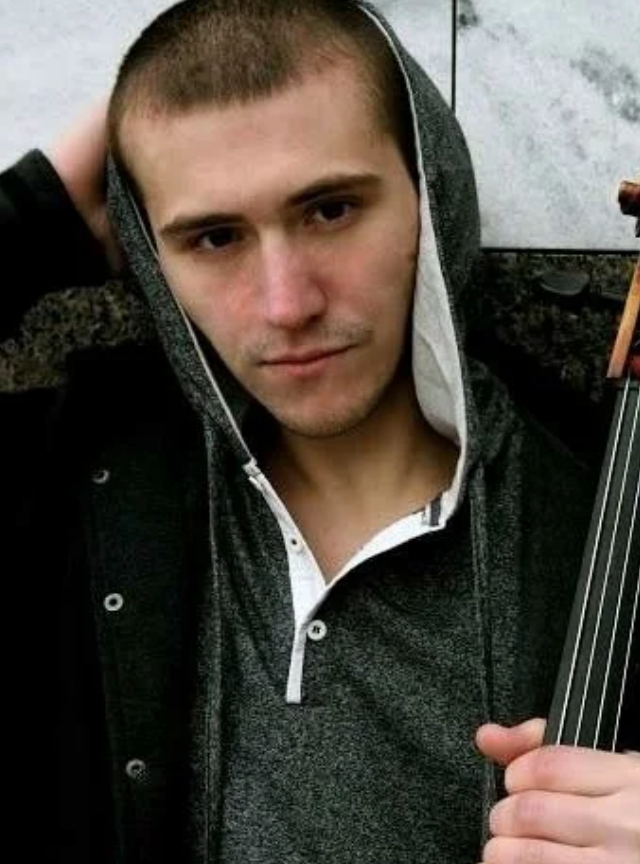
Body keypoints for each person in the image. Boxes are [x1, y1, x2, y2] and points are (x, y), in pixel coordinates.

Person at [0, 1, 637, 861]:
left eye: (330, 210)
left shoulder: (608, 520)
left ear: (429, 193)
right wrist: (35, 219)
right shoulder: (67, 482)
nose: (286, 304)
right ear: (152, 257)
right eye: (214, 237)